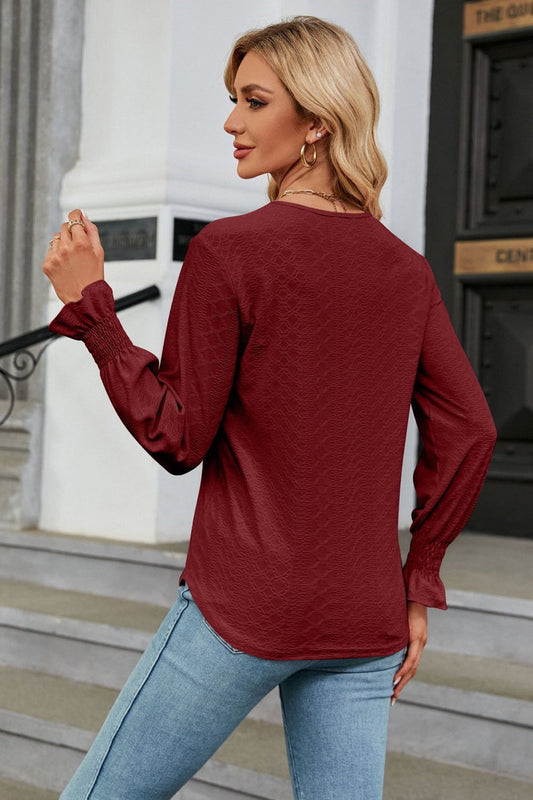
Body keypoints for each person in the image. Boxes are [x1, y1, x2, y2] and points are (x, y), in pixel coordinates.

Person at [42, 15, 497, 800]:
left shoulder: (230, 251)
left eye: (253, 101)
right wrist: (418, 578)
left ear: (316, 120)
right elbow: (471, 431)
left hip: (241, 610)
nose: (231, 122)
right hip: (363, 619)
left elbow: (176, 435)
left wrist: (93, 310)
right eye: (233, 100)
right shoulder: (406, 269)